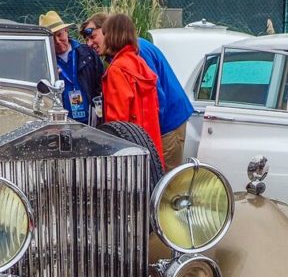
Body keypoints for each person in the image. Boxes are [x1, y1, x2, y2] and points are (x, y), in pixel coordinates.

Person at [82, 12, 194, 169]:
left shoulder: (128, 60)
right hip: (152, 134)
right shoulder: (131, 56)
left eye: (93, 36)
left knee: (164, 183)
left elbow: (121, 117)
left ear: (109, 32)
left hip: (168, 125)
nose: (89, 43)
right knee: (159, 180)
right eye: (87, 40)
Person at [99, 13, 165, 165]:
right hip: (151, 145)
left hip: (130, 151)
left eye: (105, 33)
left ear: (111, 36)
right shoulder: (140, 63)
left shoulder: (117, 69)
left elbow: (118, 119)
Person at [38, 10, 103, 125]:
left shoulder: (87, 53)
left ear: (66, 31)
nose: (57, 41)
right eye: (52, 38)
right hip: (61, 124)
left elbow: (100, 85)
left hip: (91, 122)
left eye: (59, 35)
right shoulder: (43, 63)